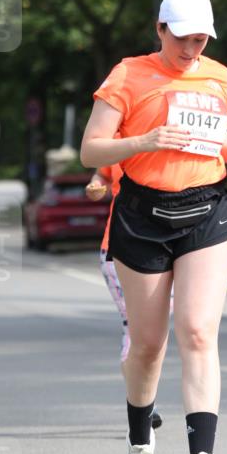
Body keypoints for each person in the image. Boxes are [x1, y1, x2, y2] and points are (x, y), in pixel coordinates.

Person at [80, 0, 227, 454]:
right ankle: (140, 444)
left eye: (201, 39)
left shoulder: (219, 75)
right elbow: (92, 148)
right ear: (160, 30)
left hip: (206, 209)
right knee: (148, 345)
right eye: (182, 38)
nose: (191, 49)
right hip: (141, 214)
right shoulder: (127, 75)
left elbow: (215, 134)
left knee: (199, 331)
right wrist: (142, 142)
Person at [85, 163, 163, 429]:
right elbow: (102, 173)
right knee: (135, 327)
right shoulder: (116, 140)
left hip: (164, 250)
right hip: (118, 248)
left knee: (152, 331)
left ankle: (143, 400)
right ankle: (143, 405)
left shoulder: (170, 137)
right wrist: (96, 185)